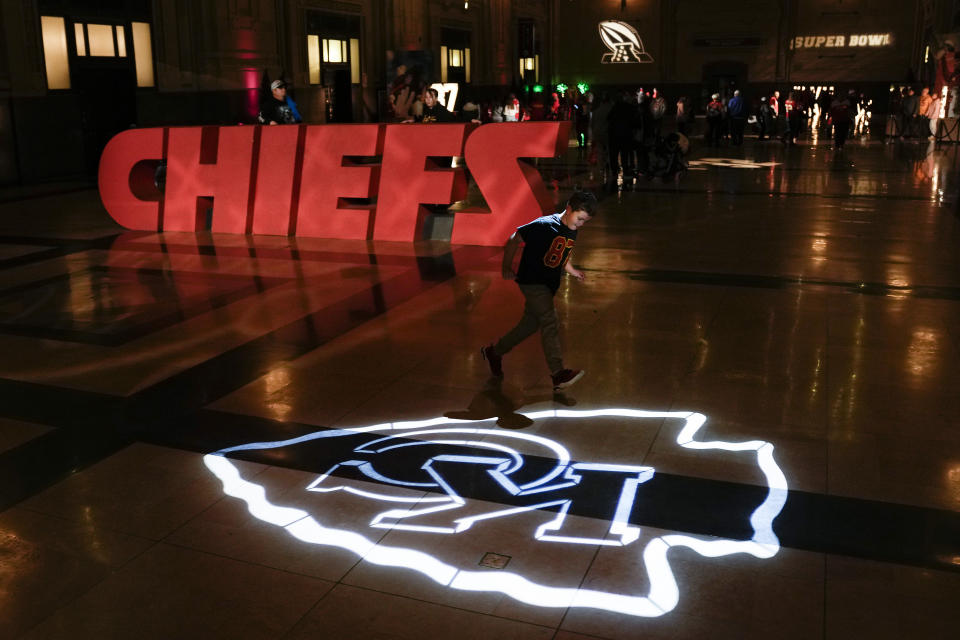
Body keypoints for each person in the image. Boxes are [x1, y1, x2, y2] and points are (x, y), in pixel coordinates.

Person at [481, 190, 598, 390]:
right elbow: (514, 238)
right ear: (569, 209)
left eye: (584, 221)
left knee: (529, 325)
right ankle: (558, 373)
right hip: (533, 283)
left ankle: (494, 352)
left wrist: (571, 270)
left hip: (548, 285)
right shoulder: (545, 225)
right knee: (550, 321)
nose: (581, 225)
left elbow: (563, 252)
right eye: (580, 219)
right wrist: (506, 267)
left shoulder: (571, 228)